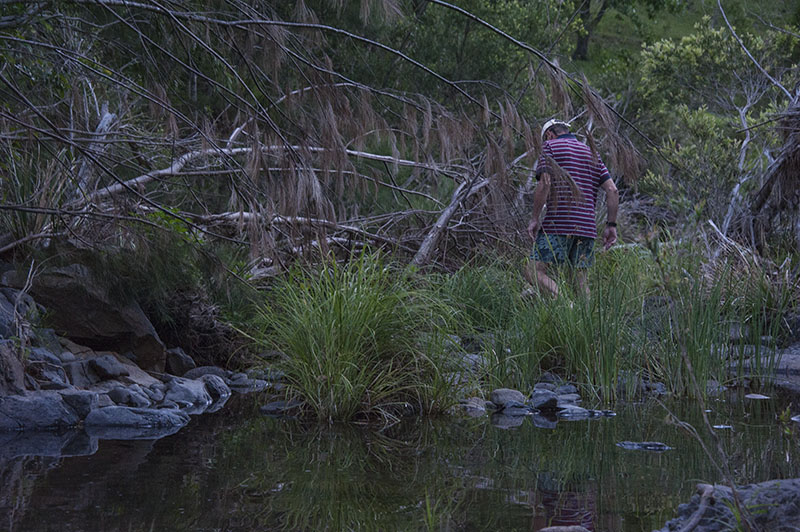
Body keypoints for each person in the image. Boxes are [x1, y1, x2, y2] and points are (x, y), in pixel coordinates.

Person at [524, 119, 619, 297]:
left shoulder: (549, 147)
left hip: (558, 224)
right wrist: (611, 226)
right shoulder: (592, 153)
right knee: (581, 282)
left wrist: (535, 219)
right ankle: (586, 323)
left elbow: (544, 185)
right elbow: (612, 190)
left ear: (549, 135)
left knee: (533, 271)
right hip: (587, 228)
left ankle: (565, 303)